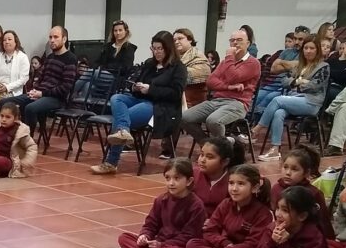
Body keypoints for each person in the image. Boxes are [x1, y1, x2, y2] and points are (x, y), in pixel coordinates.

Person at [91, 31, 185, 175]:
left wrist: (151, 89)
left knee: (122, 118)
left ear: (169, 48)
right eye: (154, 48)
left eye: (160, 48)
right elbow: (137, 82)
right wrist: (135, 87)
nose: (157, 52)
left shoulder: (178, 67)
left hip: (160, 107)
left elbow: (175, 94)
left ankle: (111, 161)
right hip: (141, 98)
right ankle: (124, 132)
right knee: (117, 98)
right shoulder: (149, 64)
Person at [176, 165, 274, 248]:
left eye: (241, 184)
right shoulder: (226, 204)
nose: (234, 188)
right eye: (231, 183)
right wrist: (224, 245)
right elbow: (209, 230)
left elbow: (252, 244)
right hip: (223, 247)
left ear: (254, 188)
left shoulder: (263, 213)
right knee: (192, 244)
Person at [115, 159, 207, 248]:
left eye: (177, 178)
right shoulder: (161, 200)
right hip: (155, 244)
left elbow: (188, 236)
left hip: (175, 246)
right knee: (124, 238)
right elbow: (150, 224)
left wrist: (162, 244)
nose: (171, 183)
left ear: (189, 181)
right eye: (168, 178)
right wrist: (145, 236)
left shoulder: (196, 205)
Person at [253, 34, 329, 162]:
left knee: (277, 99)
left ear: (317, 50)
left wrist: (297, 84)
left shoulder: (323, 66)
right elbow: (284, 80)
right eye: (306, 48)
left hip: (311, 103)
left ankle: (256, 129)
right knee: (279, 112)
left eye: (312, 48)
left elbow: (315, 86)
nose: (308, 51)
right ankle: (275, 150)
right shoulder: (299, 65)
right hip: (294, 99)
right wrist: (298, 82)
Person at [180, 26, 261, 145]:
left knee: (213, 121)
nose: (235, 43)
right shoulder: (225, 62)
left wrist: (229, 57)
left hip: (238, 103)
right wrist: (229, 87)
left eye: (239, 40)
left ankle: (221, 150)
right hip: (217, 100)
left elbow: (234, 77)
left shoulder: (253, 63)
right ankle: (208, 144)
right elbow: (211, 81)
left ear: (248, 43)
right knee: (184, 118)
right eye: (232, 40)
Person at [0, 26, 77, 128]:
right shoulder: (49, 58)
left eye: (56, 37)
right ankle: (6, 134)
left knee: (30, 108)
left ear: (64, 39)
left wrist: (42, 93)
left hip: (56, 98)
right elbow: (40, 78)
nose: (52, 40)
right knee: (4, 102)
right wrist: (35, 90)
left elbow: (65, 87)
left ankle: (26, 139)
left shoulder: (70, 59)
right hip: (40, 94)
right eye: (50, 37)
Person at [254, 27, 306, 119]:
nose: (297, 42)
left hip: (285, 87)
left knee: (268, 98)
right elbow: (273, 69)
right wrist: (290, 65)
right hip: (272, 84)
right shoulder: (286, 52)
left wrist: (282, 63)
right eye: (295, 38)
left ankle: (257, 126)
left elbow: (298, 66)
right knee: (256, 97)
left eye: (300, 39)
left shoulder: (305, 54)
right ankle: (249, 124)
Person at [192, 137, 246, 215]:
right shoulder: (193, 173)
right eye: (201, 154)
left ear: (225, 162)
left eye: (209, 157)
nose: (202, 160)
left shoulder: (233, 180)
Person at [0, 30, 29, 99]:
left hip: (12, 92)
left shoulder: (22, 57)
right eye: (4, 40)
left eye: (9, 39)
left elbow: (23, 79)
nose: (7, 42)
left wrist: (7, 87)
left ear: (15, 42)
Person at [175, 28, 211, 109]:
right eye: (174, 40)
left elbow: (203, 73)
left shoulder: (198, 56)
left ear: (190, 40)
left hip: (192, 102)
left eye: (180, 39)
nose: (176, 42)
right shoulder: (173, 58)